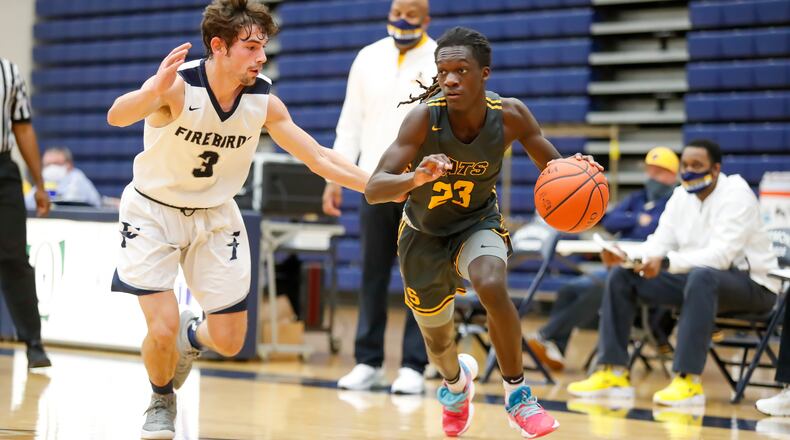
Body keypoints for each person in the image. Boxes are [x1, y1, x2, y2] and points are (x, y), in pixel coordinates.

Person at [106, 1, 369, 438]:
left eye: (263, 46)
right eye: (250, 47)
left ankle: (194, 338)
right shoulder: (177, 86)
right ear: (219, 47)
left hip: (214, 214)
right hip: (153, 211)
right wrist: (152, 90)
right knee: (162, 326)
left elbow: (319, 157)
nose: (261, 56)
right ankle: (161, 398)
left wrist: (383, 185)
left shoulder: (262, 98)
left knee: (228, 341)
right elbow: (117, 115)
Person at [366, 26, 601, 438]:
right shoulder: (423, 119)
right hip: (422, 233)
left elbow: (555, 167)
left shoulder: (510, 115)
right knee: (439, 343)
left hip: (477, 222)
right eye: (443, 71)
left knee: (491, 282)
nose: (451, 79)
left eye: (461, 70)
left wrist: (577, 172)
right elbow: (374, 188)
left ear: (484, 73)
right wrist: (415, 178)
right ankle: (456, 387)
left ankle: (519, 396)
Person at [567, 139, 781, 407]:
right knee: (622, 276)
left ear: (715, 170)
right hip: (697, 282)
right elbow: (659, 242)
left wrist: (665, 262)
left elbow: (721, 256)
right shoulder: (681, 195)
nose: (689, 170)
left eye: (697, 165)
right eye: (685, 165)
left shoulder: (737, 194)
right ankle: (613, 372)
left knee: (703, 276)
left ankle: (688, 381)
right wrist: (626, 256)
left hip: (753, 286)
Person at [325, 0, 435, 394]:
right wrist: (335, 176)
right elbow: (350, 122)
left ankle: (413, 365)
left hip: (421, 185)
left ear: (426, 17)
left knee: (417, 276)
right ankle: (367, 362)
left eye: (412, 12)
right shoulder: (367, 57)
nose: (402, 18)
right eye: (397, 10)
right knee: (372, 273)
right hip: (372, 181)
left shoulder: (439, 58)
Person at [527, 146, 679, 371]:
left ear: (672, 175)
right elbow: (609, 220)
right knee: (569, 289)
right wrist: (637, 219)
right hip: (619, 263)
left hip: (648, 271)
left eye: (658, 172)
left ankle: (545, 334)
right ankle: (555, 348)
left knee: (600, 286)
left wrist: (633, 220)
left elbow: (656, 227)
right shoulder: (638, 198)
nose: (652, 177)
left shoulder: (676, 202)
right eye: (650, 171)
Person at [0, 57, 52, 369]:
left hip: (3, 169)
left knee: (14, 257)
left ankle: (33, 341)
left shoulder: (9, 72)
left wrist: (39, 183)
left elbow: (23, 127)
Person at [24, 147, 102, 208]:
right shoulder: (42, 181)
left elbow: (73, 201)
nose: (52, 168)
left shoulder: (77, 178)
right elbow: (28, 202)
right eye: (47, 165)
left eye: (56, 163)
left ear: (69, 164)